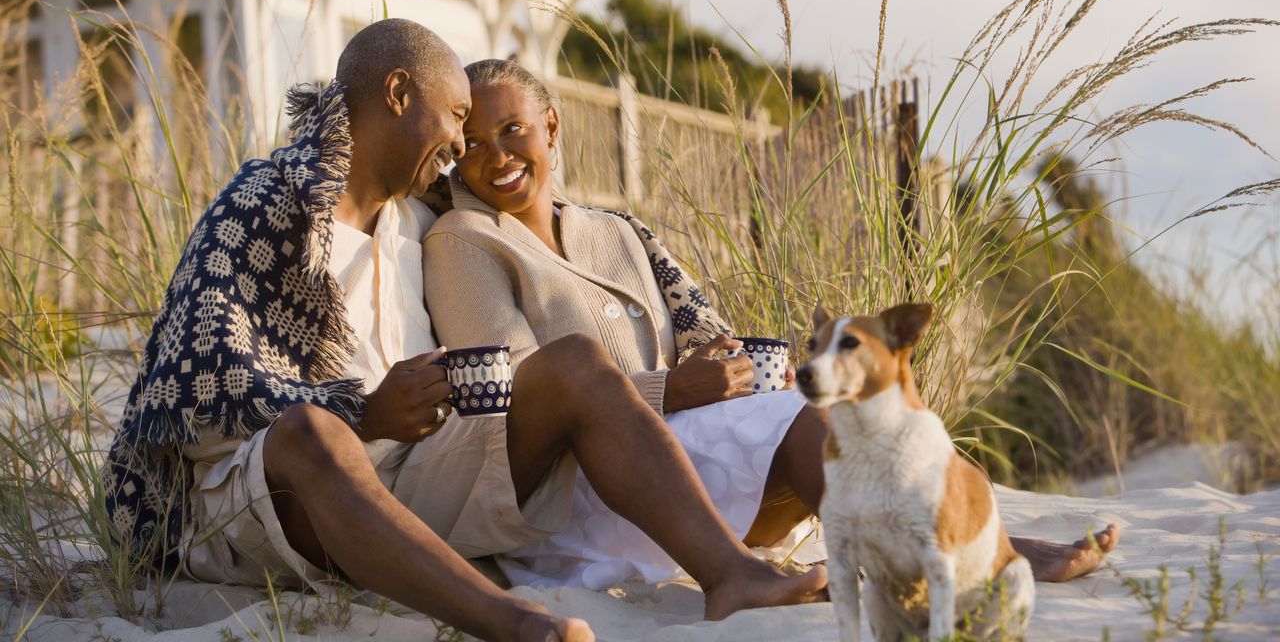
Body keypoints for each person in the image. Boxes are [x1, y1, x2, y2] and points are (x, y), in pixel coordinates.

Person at [101, 19, 825, 642]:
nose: (458, 145)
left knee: (572, 365)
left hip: (409, 476)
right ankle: (512, 625)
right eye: (454, 117)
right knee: (311, 434)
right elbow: (187, 390)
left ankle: (732, 575)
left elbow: (519, 203)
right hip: (266, 494)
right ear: (396, 94)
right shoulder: (271, 201)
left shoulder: (416, 221)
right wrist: (364, 411)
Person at [421, 58, 1120, 589]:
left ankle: (969, 543)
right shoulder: (463, 239)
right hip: (583, 491)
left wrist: (723, 364)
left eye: (512, 129)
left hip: (686, 465)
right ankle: (962, 558)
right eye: (473, 144)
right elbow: (519, 395)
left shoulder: (617, 230)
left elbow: (707, 329)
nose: (496, 156)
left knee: (831, 414)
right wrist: (676, 390)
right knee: (803, 425)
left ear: (551, 127)